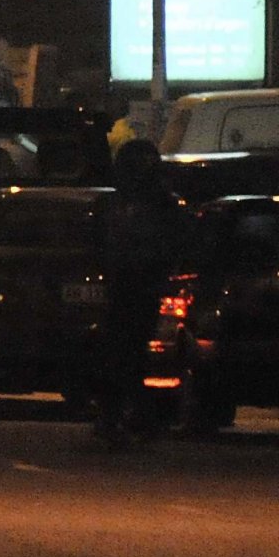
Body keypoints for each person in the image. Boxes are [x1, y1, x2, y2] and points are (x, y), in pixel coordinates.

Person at [94, 138, 186, 446]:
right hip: (128, 286)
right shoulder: (123, 204)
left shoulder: (154, 205)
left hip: (139, 286)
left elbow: (167, 246)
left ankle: (127, 418)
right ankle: (125, 418)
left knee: (126, 354)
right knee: (123, 355)